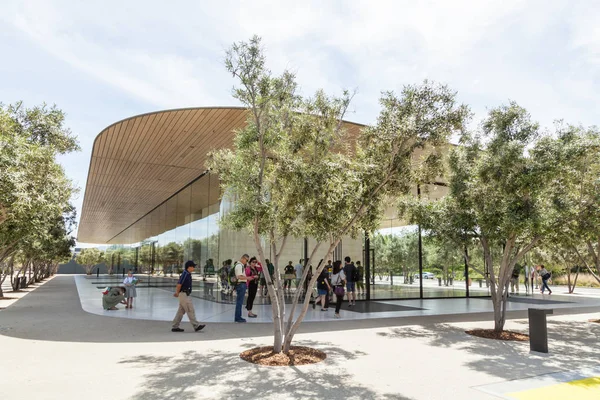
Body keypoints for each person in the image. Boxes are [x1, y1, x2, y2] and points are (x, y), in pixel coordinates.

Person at [171, 260, 205, 333]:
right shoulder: (185, 274)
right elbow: (179, 284)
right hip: (184, 294)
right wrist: (177, 293)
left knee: (181, 311)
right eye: (193, 266)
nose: (194, 268)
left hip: (185, 294)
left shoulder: (187, 274)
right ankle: (196, 326)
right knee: (190, 309)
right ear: (189, 267)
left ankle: (175, 326)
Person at [233, 254, 250, 322]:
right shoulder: (239, 266)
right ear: (243, 258)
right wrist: (247, 278)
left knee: (239, 301)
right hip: (241, 284)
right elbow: (239, 276)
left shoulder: (241, 265)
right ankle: (238, 317)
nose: (247, 262)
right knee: (239, 302)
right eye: (246, 260)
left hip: (241, 284)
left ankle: (238, 316)